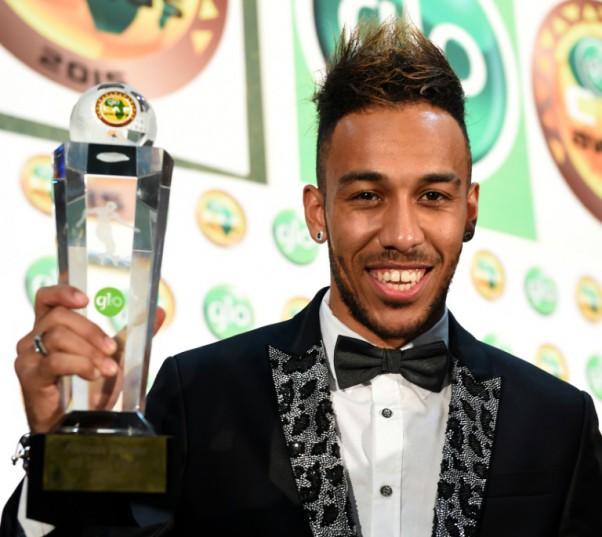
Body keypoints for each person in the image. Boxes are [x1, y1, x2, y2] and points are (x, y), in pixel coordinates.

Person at [3, 17, 602, 537]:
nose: (401, 232)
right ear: (319, 212)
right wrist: (68, 449)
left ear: (469, 210)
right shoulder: (199, 394)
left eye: (433, 196)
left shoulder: (558, 423)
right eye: (367, 195)